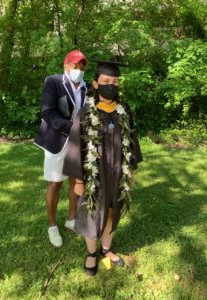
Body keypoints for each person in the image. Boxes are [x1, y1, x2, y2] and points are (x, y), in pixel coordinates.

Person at [63, 59, 143, 276]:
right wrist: (79, 181)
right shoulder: (86, 113)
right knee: (91, 212)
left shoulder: (123, 111)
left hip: (117, 173)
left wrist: (130, 171)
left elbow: (131, 139)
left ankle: (106, 249)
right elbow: (75, 146)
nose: (112, 85)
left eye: (115, 81)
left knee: (111, 211)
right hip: (93, 176)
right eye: (107, 80)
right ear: (96, 84)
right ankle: (91, 253)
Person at [34, 50, 88, 248]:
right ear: (66, 66)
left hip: (77, 143)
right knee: (55, 184)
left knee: (76, 181)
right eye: (75, 66)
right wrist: (72, 127)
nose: (79, 71)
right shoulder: (54, 81)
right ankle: (52, 226)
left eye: (82, 68)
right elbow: (48, 112)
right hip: (56, 141)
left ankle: (71, 219)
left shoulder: (86, 87)